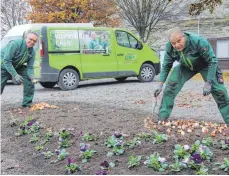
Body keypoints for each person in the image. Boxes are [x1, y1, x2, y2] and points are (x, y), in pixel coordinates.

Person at [154, 27, 229, 125]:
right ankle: (162, 118)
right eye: (173, 43)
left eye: (179, 41)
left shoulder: (198, 41)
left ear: (184, 36)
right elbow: (166, 65)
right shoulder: (169, 47)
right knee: (170, 86)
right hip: (186, 66)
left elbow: (212, 61)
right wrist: (160, 83)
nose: (176, 45)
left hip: (205, 65)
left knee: (219, 92)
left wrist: (209, 82)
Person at [1, 31, 39, 108]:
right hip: (3, 64)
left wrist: (31, 76)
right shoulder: (15, 44)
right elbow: (7, 61)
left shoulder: (32, 52)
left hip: (17, 65)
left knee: (29, 79)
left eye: (34, 41)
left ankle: (27, 104)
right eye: (30, 39)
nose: (32, 42)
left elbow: (30, 67)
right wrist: (15, 75)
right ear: (25, 38)